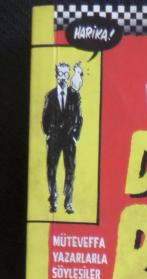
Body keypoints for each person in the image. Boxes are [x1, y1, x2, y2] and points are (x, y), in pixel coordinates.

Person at [42, 63, 83, 214]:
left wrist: (75, 136)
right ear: (56, 75)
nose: (63, 77)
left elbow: (79, 117)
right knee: (51, 170)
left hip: (69, 139)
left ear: (68, 75)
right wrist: (48, 135)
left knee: (70, 171)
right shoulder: (50, 96)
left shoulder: (74, 96)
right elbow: (45, 119)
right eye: (60, 73)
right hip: (54, 139)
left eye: (66, 74)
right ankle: (53, 200)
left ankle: (68, 203)